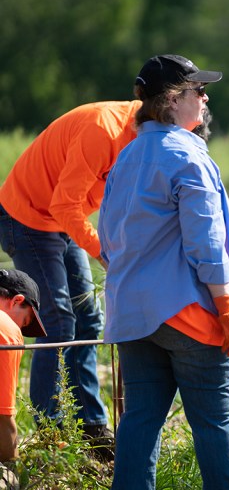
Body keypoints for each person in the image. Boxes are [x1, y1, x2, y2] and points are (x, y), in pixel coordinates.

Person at [98, 54, 229, 490]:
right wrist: (228, 306)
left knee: (139, 420)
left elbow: (109, 239)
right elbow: (206, 244)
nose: (206, 98)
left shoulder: (126, 158)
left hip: (132, 315)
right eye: (199, 90)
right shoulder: (188, 157)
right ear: (173, 100)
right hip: (187, 312)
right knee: (213, 422)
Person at [0, 99, 142, 456]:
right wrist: (106, 255)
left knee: (88, 317)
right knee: (57, 320)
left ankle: (91, 425)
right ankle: (50, 428)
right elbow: (65, 204)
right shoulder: (103, 130)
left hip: (61, 216)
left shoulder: (146, 135)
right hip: (29, 215)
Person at [0, 269, 48, 462]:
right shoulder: (6, 328)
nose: (20, 328)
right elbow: (3, 416)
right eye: (25, 321)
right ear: (17, 301)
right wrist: (15, 470)